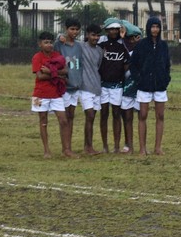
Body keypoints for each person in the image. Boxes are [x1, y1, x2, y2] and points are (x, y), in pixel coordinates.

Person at [31, 31, 77, 158]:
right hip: (39, 95)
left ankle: (66, 149)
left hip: (56, 94)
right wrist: (57, 73)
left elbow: (66, 70)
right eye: (46, 42)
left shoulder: (57, 55)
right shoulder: (37, 57)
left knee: (63, 120)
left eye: (51, 42)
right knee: (43, 120)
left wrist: (51, 71)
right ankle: (46, 150)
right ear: (40, 44)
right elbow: (40, 76)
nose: (49, 45)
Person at [130, 15, 171, 156]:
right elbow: (133, 64)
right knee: (143, 115)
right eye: (153, 27)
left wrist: (166, 79)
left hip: (159, 85)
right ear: (148, 28)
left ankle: (158, 147)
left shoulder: (163, 46)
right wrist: (138, 79)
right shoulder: (141, 45)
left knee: (160, 115)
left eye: (157, 27)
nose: (155, 29)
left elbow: (167, 64)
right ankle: (142, 148)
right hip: (144, 86)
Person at [98, 20, 130, 153]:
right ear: (106, 30)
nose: (114, 32)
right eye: (111, 29)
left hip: (117, 85)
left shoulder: (123, 45)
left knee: (116, 113)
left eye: (116, 29)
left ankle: (116, 146)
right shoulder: (102, 44)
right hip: (103, 85)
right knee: (104, 113)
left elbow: (127, 63)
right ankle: (105, 146)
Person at [54, 17, 83, 152]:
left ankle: (68, 146)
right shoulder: (60, 44)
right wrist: (59, 37)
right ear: (66, 29)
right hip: (64, 86)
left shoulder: (79, 46)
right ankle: (65, 148)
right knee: (64, 118)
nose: (74, 32)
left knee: (71, 116)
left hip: (76, 86)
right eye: (72, 29)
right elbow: (52, 50)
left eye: (77, 29)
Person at [79, 23, 104, 155]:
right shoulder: (81, 47)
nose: (96, 38)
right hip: (84, 88)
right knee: (89, 115)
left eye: (98, 35)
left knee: (92, 117)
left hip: (96, 87)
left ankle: (88, 146)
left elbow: (98, 67)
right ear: (87, 35)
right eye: (93, 35)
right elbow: (64, 42)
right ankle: (87, 147)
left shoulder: (100, 51)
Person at [120, 22, 142, 154]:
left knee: (142, 117)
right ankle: (128, 144)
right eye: (127, 38)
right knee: (127, 117)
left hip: (140, 87)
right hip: (126, 87)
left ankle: (141, 145)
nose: (131, 41)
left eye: (132, 38)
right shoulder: (124, 49)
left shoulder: (142, 50)